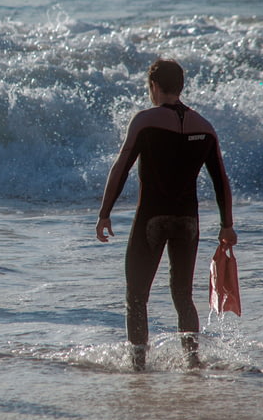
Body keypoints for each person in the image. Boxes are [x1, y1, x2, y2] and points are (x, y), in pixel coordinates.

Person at [95, 59, 237, 371]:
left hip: (151, 218)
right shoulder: (205, 127)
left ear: (155, 87)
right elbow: (221, 181)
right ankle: (192, 359)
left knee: (136, 296)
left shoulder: (145, 121)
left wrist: (105, 212)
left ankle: (138, 364)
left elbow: (121, 166)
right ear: (180, 86)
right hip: (188, 221)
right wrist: (227, 225)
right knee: (183, 296)